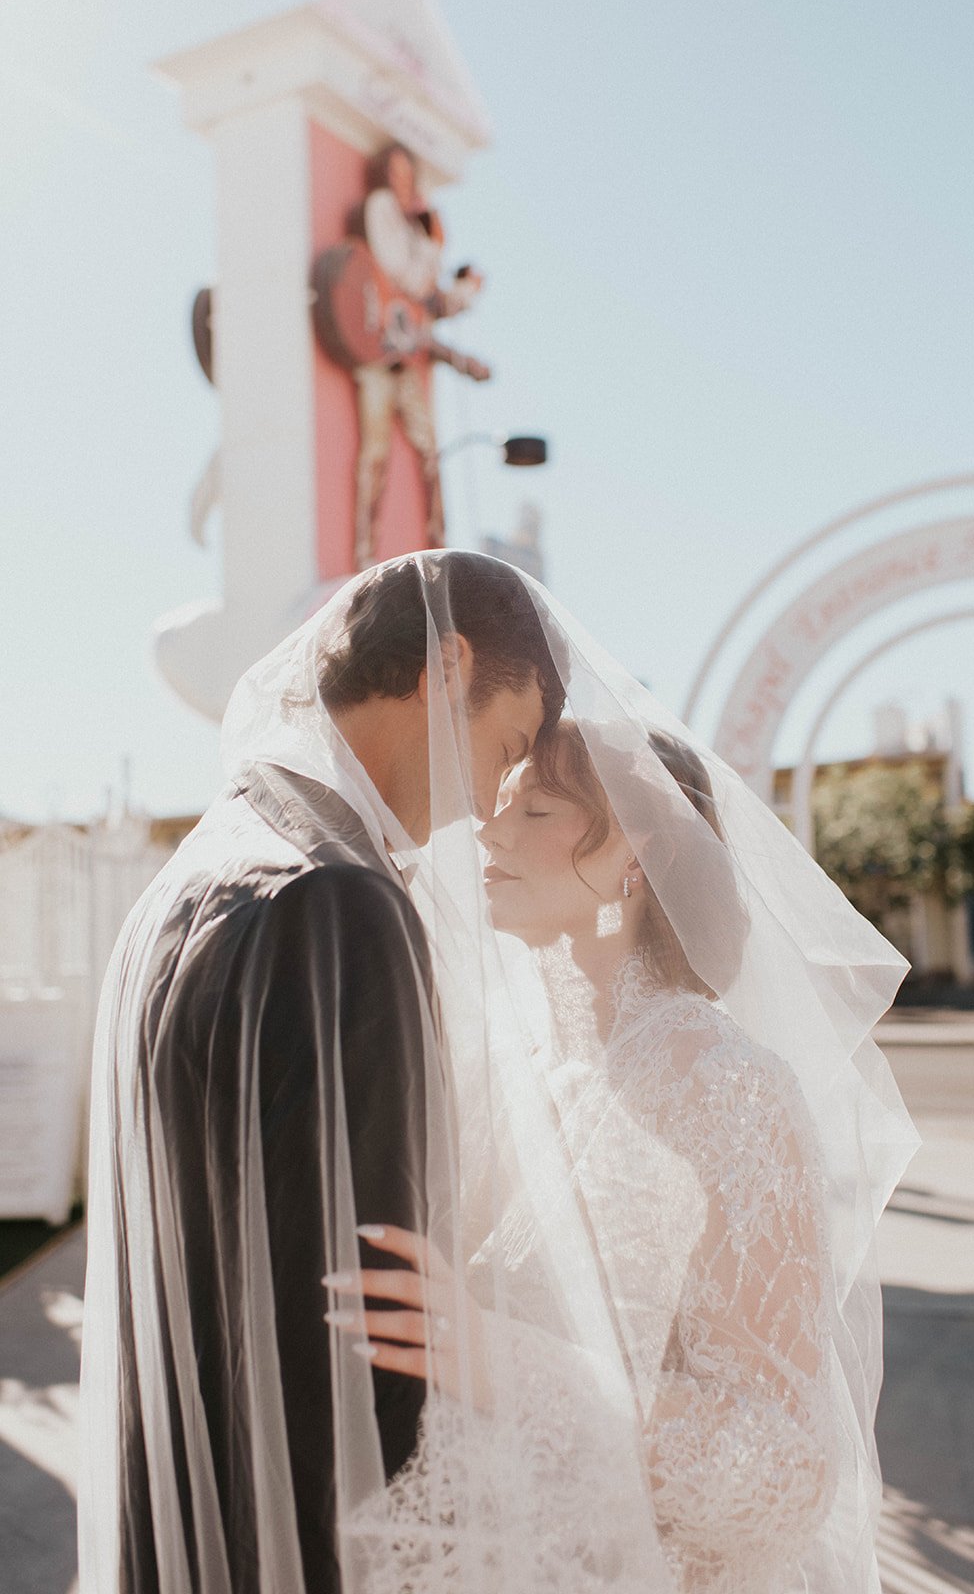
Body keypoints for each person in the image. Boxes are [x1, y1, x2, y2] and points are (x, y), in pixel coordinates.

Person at [325, 594, 919, 1594]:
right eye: (499, 802)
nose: (488, 833)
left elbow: (782, 1471)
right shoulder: (512, 1061)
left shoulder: (731, 1090)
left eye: (538, 810)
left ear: (634, 860)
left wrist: (505, 1365)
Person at [77, 552, 562, 1594]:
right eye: (504, 745)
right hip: (295, 1539)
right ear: (447, 662)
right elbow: (369, 1312)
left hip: (167, 1509)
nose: (487, 801)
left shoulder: (186, 880)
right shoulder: (344, 903)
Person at [347, 142, 484, 570]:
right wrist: (432, 246)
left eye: (410, 176)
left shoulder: (410, 227)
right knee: (376, 450)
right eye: (398, 174)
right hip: (378, 349)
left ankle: (437, 542)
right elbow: (406, 275)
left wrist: (462, 290)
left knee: (428, 450)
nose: (405, 185)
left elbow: (429, 296)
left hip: (406, 353)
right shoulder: (383, 208)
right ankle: (364, 551)